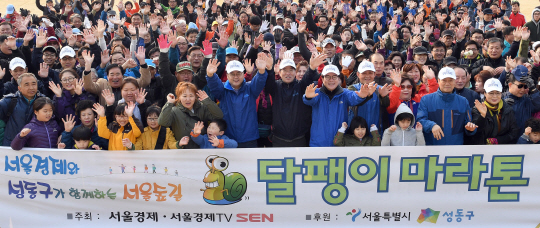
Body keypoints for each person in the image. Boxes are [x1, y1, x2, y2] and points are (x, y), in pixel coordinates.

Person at [206, 53, 270, 148]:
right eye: (232, 74)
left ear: (243, 74)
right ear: (227, 75)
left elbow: (259, 82)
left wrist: (261, 71)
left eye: (238, 73)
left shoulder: (250, 88)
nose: (236, 77)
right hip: (227, 139)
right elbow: (214, 85)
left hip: (249, 139)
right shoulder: (223, 90)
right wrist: (210, 75)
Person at [304, 64, 375, 147]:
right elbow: (308, 101)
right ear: (322, 78)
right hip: (318, 143)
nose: (331, 80)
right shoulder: (316, 93)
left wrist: (362, 96)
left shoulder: (345, 93)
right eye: (327, 77)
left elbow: (354, 97)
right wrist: (308, 97)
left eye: (334, 77)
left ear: (338, 78)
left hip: (339, 143)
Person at [417, 67, 478, 145]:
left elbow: (468, 124)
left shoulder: (463, 101)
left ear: (454, 81)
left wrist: (470, 129)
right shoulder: (426, 100)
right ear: (438, 81)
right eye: (444, 80)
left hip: (455, 150)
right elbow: (421, 120)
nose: (447, 83)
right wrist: (432, 125)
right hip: (432, 149)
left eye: (450, 80)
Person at [158, 82, 223, 149]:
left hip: (202, 149)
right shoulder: (174, 111)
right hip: (183, 150)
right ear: (179, 97)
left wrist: (207, 101)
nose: (188, 99)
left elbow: (218, 116)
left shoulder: (202, 107)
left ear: (195, 97)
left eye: (191, 96)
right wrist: (169, 103)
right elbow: (162, 122)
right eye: (184, 96)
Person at [0, 73, 45, 146]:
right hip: (11, 146)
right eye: (27, 84)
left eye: (33, 84)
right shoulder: (10, 101)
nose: (31, 88)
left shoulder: (44, 101)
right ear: (19, 88)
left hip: (35, 147)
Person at [471, 78, 520, 145]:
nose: (495, 96)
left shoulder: (507, 108)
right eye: (491, 93)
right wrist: (482, 115)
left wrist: (498, 140)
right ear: (485, 93)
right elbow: (475, 132)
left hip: (502, 149)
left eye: (498, 93)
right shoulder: (477, 109)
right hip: (483, 149)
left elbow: (514, 132)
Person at [501, 65, 540, 136]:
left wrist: (533, 89)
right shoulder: (501, 98)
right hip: (507, 142)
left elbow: (538, 106)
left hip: (525, 140)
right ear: (510, 85)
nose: (522, 89)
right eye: (520, 86)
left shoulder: (527, 99)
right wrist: (502, 106)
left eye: (525, 86)